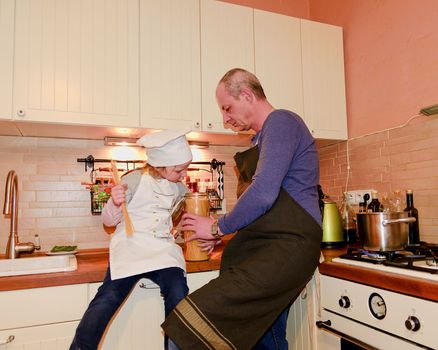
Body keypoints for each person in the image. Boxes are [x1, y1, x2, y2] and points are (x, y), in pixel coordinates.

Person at [162, 68, 322, 350]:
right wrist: (220, 235)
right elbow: (260, 207)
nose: (224, 119)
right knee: (264, 341)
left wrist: (216, 227)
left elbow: (262, 194)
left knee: (184, 330)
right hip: (266, 247)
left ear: (247, 95)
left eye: (227, 108)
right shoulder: (261, 140)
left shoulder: (281, 121)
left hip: (288, 247)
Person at [70, 128, 193, 350]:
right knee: (107, 298)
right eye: (179, 170)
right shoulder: (134, 180)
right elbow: (108, 222)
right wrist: (115, 202)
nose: (183, 174)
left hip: (163, 251)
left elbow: (175, 219)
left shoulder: (179, 188)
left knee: (178, 291)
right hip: (132, 247)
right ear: (161, 164)